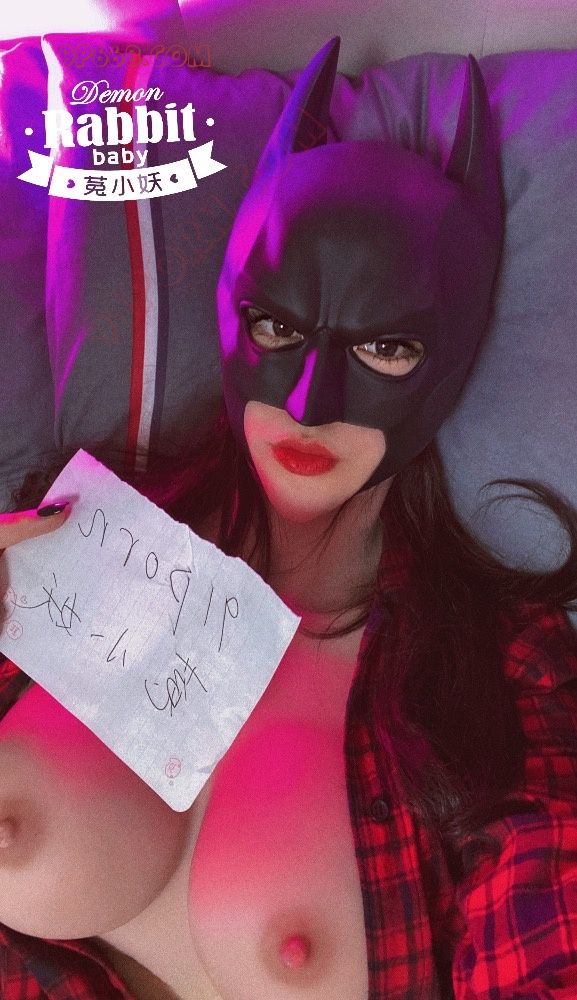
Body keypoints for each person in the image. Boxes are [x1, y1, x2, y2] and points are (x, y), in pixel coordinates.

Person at [1, 35, 577, 1000]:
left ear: (454, 350)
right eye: (277, 327)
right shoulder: (71, 544)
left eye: (384, 348)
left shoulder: (497, 670)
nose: (310, 401)